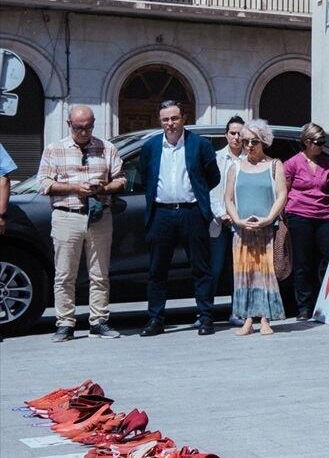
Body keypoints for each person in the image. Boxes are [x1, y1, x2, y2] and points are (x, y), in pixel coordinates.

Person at [38, 104, 125, 341]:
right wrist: (75, 188)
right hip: (67, 214)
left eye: (88, 127)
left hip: (99, 216)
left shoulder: (106, 148)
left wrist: (103, 188)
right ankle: (65, 323)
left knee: (100, 274)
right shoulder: (54, 150)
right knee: (65, 274)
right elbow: (44, 183)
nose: (84, 132)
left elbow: (121, 180)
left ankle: (99, 321)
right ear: (69, 125)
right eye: (79, 128)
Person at [137, 99, 222, 336]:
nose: (170, 123)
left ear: (183, 118)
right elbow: (146, 177)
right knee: (157, 269)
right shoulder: (152, 146)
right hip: (161, 213)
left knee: (201, 268)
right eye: (165, 119)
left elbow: (212, 177)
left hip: (191, 212)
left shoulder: (199, 145)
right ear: (160, 121)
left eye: (174, 118)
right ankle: (156, 319)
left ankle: (205, 317)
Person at [225, 119, 288, 336]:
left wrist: (269, 218)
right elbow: (229, 198)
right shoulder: (235, 168)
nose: (249, 146)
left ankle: (265, 319)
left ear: (263, 142)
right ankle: (247, 319)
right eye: (245, 142)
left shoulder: (274, 165)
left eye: (254, 141)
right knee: (244, 275)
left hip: (266, 229)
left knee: (265, 274)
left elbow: (282, 195)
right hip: (243, 231)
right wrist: (237, 220)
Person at [281, 123, 329, 321]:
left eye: (324, 142)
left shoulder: (328, 164)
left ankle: (328, 303)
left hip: (325, 215)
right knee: (303, 262)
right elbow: (285, 191)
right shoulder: (292, 164)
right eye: (318, 142)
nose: (322, 146)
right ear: (307, 142)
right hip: (300, 215)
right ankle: (304, 307)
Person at [209, 115, 246, 325]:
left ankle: (237, 312)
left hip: (239, 222)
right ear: (226, 135)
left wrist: (236, 217)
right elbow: (212, 191)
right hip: (218, 221)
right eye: (232, 133)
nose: (236, 137)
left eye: (240, 133)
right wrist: (221, 213)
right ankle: (206, 313)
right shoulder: (216, 158)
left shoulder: (249, 160)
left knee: (238, 269)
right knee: (213, 268)